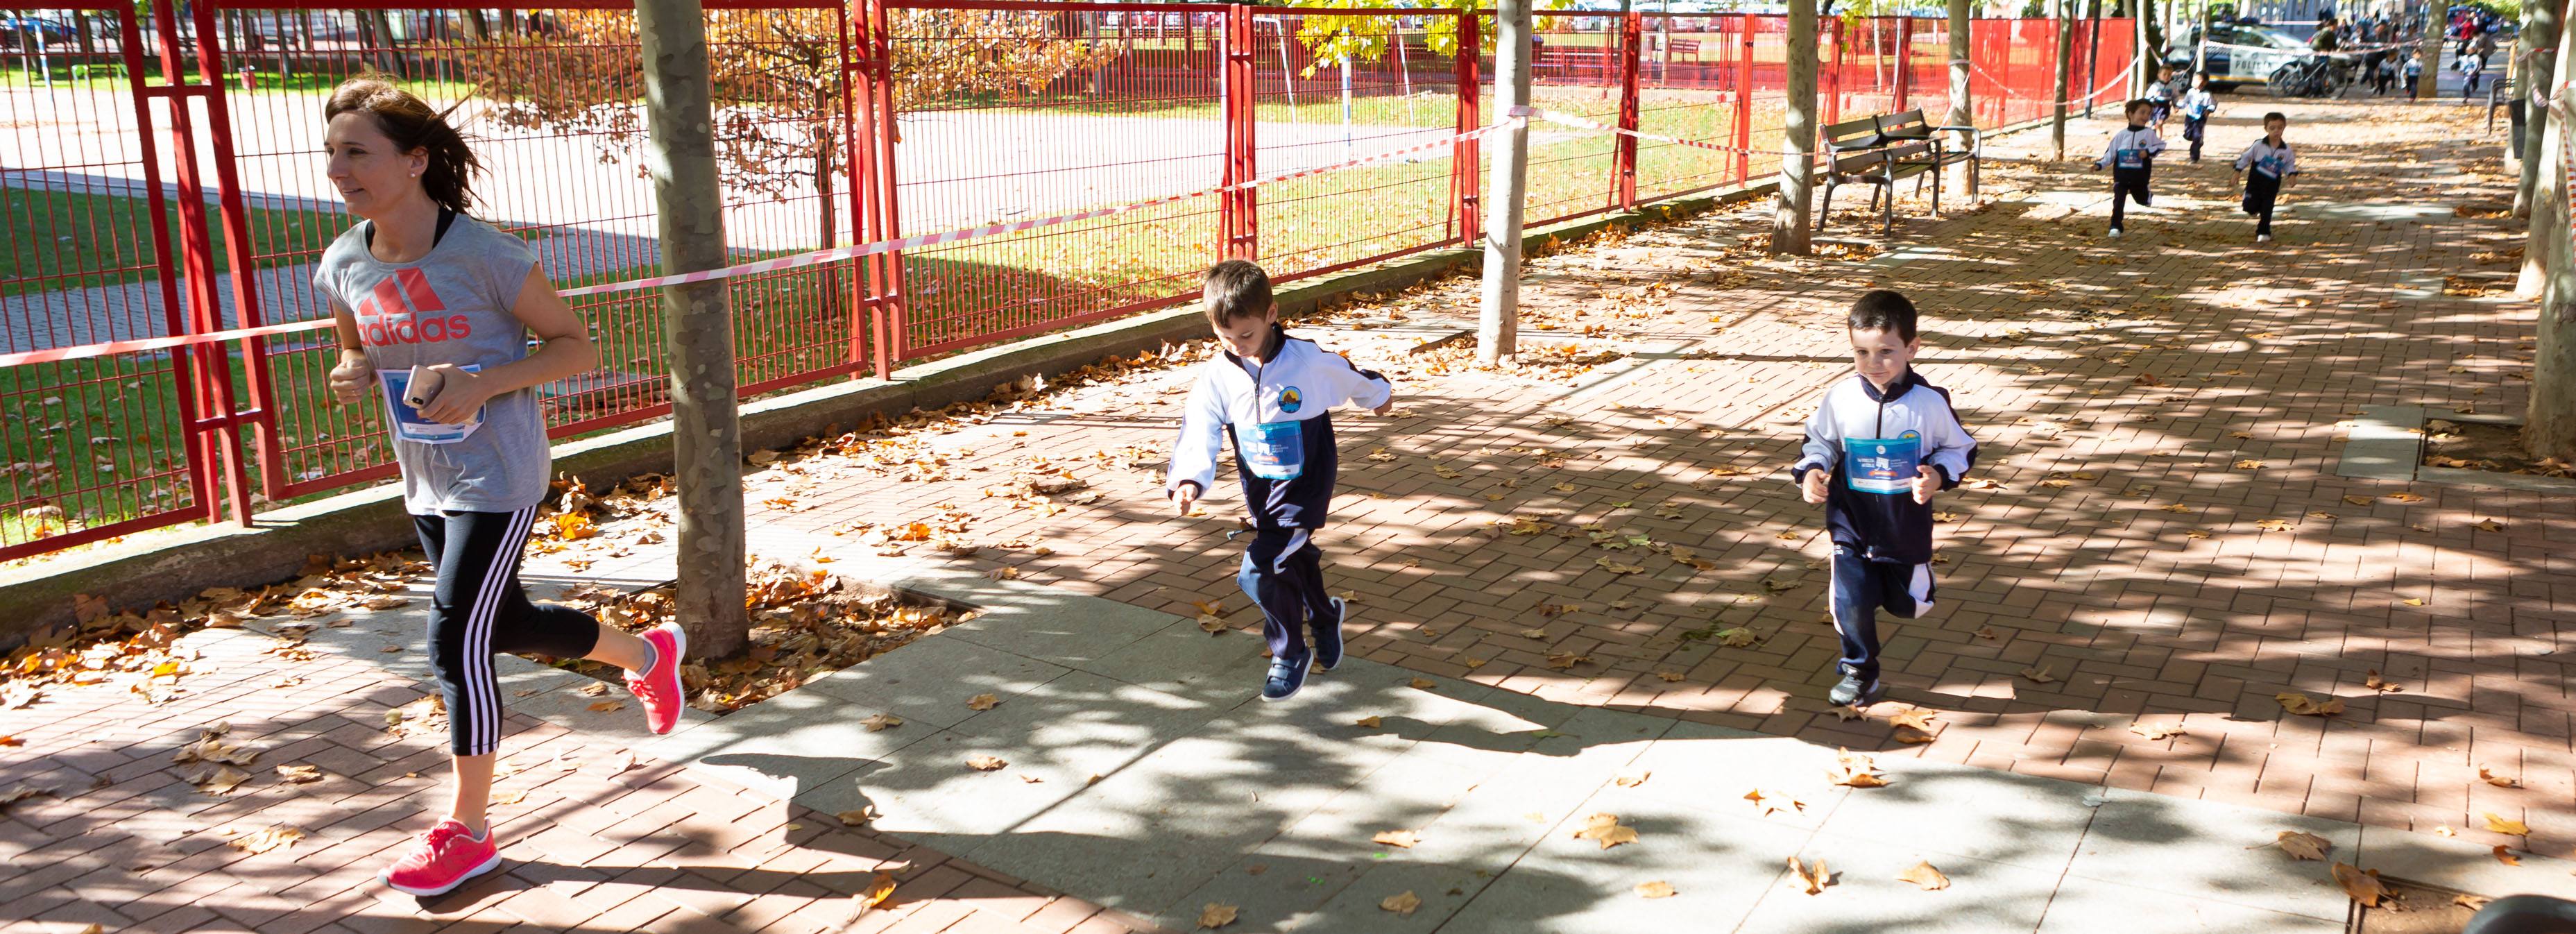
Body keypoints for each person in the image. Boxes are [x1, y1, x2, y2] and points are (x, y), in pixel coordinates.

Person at [316, 76, 689, 897]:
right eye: (333, 154)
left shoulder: (484, 254)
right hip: (426, 475)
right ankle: (648, 651)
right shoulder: (345, 260)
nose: (339, 169)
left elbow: (573, 346)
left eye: (357, 152)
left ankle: (468, 832)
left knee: (456, 641)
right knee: (508, 621)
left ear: (414, 161)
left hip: (500, 470)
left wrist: (486, 383)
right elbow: (352, 346)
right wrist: (350, 370)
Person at [1166, 260, 1393, 702]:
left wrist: (1378, 396)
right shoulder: (1218, 375)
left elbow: (1346, 374)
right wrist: (1190, 479)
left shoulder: (1303, 360)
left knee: (1261, 570)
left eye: (1245, 335)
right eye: (1225, 337)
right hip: (1261, 488)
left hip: (1305, 484)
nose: (1237, 346)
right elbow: (1199, 426)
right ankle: (1325, 617)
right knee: (1294, 558)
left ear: (1271, 314)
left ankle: (1290, 653)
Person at [1790, 290, 1979, 708]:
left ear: (1912, 348)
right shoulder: (1841, 397)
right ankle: (1858, 670)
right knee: (1850, 601)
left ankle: (1908, 589)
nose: (1873, 363)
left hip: (1903, 525)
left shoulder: (1929, 403)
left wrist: (1938, 476)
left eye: (1886, 352)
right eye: (1862, 352)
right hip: (1851, 522)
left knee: (1909, 605)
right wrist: (1812, 471)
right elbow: (1819, 441)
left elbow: (1960, 448)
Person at [2091, 99, 2168, 239]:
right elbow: (2111, 154)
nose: (2146, 116)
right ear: (2131, 114)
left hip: (2140, 176)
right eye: (2142, 112)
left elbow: (2161, 146)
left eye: (2149, 113)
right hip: (2121, 176)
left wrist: (2148, 152)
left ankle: (2147, 197)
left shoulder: (2149, 134)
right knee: (2119, 201)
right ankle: (2115, 226)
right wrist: (2099, 165)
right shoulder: (2121, 135)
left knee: (2142, 200)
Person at [2234, 110, 2298, 244]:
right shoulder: (2259, 145)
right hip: (2255, 182)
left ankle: (2264, 231)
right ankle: (2254, 207)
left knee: (2267, 208)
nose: (2276, 131)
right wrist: (2238, 171)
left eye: (2280, 128)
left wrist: (2291, 175)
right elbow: (2246, 157)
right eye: (2272, 128)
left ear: (2284, 128)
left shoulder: (2286, 150)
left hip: (2272, 183)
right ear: (2266, 129)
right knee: (2250, 206)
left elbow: (2289, 164)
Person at [2178, 74, 2219, 163]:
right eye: (2194, 80)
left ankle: (2194, 156)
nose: (2195, 82)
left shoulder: (2207, 94)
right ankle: (2198, 142)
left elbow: (2213, 104)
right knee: (2188, 134)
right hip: (2189, 117)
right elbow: (2185, 102)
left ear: (2205, 82)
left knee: (2197, 136)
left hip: (2200, 118)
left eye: (2198, 80)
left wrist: (2209, 110)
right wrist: (2177, 106)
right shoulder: (2190, 92)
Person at [2144, 65, 2178, 130]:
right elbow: (2148, 96)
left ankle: (2158, 138)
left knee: (2160, 122)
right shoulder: (2155, 86)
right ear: (2159, 75)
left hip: (2165, 107)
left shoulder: (2173, 86)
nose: (2167, 76)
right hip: (2155, 106)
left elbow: (2175, 96)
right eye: (2164, 74)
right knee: (2153, 124)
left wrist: (2175, 105)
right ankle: (2155, 138)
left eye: (2169, 75)